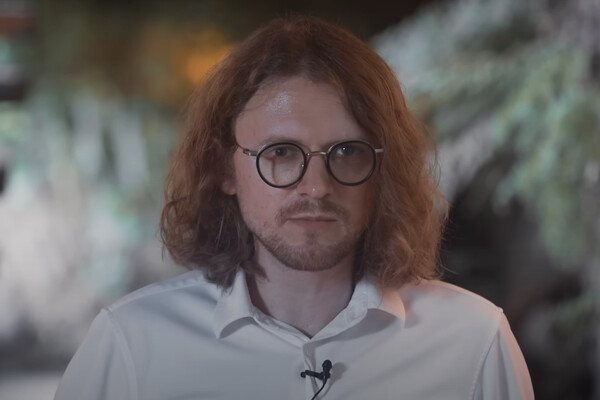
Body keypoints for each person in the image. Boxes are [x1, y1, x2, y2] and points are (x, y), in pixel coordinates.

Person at [54, 15, 534, 400]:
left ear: (383, 170)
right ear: (225, 169)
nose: (317, 187)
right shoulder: (133, 343)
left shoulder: (473, 341)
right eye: (281, 153)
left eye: (346, 152)